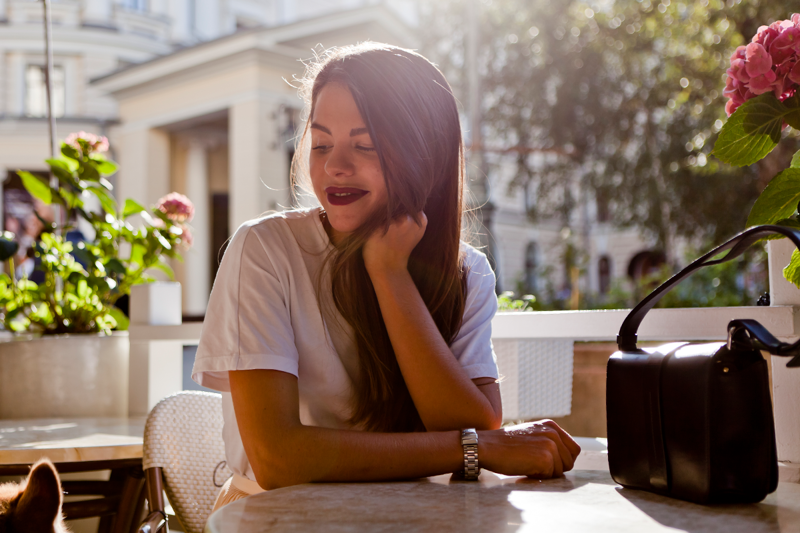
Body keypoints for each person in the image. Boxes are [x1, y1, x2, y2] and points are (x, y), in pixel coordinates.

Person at [192, 42, 581, 510]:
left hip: (410, 514)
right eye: (320, 144)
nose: (335, 165)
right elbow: (278, 459)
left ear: (426, 155)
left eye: (365, 145)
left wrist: (389, 274)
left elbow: (472, 420)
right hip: (276, 518)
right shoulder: (265, 250)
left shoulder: (466, 271)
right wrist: (469, 450)